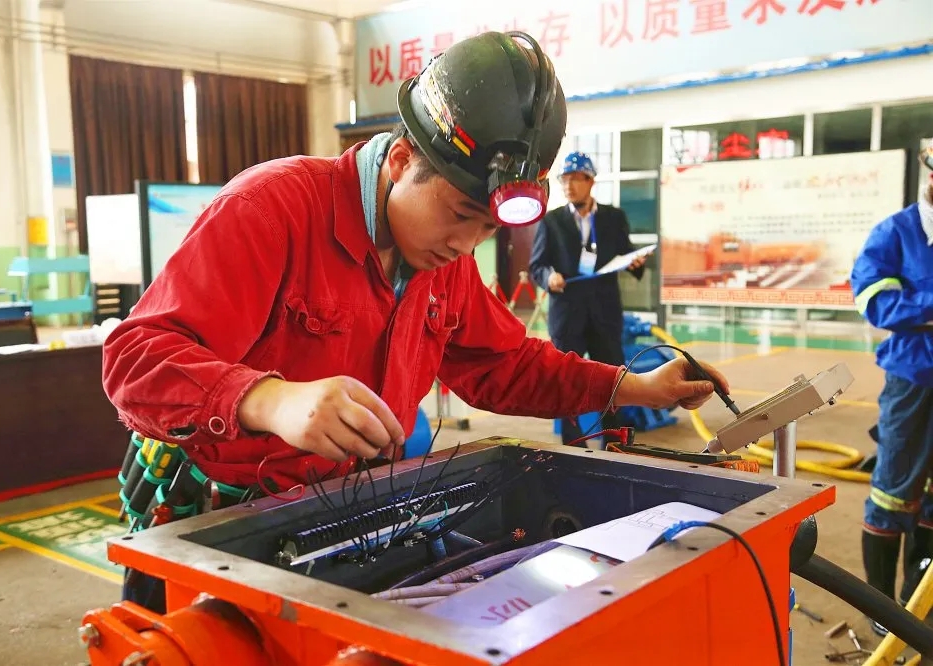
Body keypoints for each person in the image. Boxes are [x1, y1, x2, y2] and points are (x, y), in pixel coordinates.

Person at [101, 32, 730, 613]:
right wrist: (268, 400)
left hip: (344, 520)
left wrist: (632, 387)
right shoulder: (273, 210)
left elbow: (504, 364)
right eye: (460, 214)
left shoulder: (443, 263)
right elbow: (135, 358)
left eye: (488, 229)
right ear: (402, 160)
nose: (466, 245)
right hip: (215, 530)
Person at [851, 145, 933, 636]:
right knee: (894, 490)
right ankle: (883, 612)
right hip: (914, 379)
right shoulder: (895, 232)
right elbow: (874, 300)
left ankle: (918, 604)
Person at [528, 152, 648, 446]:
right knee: (566, 381)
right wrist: (549, 278)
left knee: (612, 379)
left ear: (590, 181)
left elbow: (626, 253)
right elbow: (537, 266)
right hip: (567, 315)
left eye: (575, 179)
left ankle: (614, 441)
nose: (568, 186)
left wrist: (636, 263)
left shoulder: (613, 218)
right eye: (564, 180)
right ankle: (573, 444)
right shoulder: (552, 221)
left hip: (605, 314)